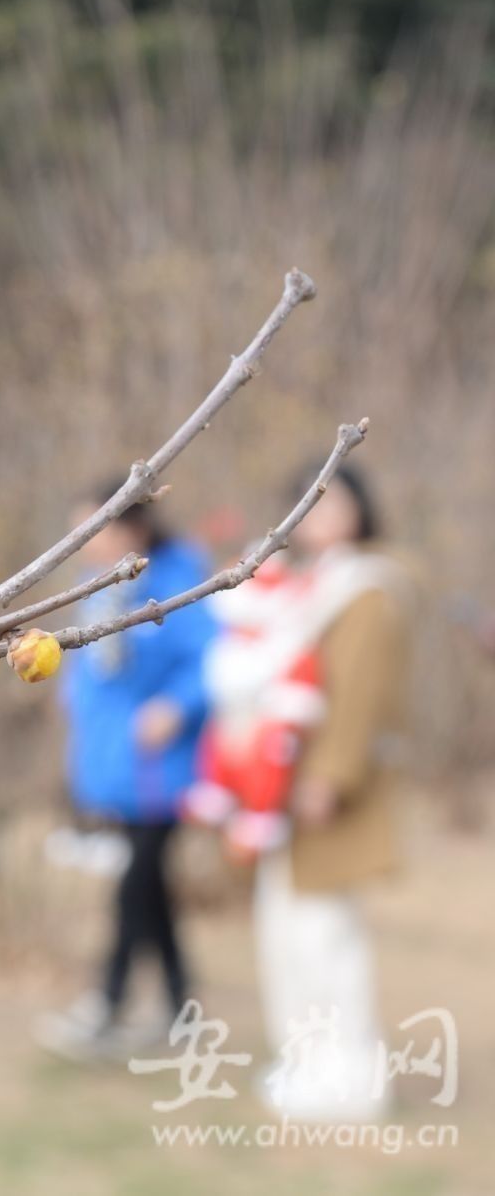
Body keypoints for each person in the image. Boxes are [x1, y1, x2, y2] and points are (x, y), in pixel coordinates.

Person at [231, 464, 408, 1122]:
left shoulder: (366, 589)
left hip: (326, 794)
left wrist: (329, 779)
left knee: (327, 935)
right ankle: (306, 1061)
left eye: (336, 503)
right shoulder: (303, 588)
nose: (323, 517)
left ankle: (352, 1079)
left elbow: (359, 696)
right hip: (281, 786)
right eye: (311, 504)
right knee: (286, 930)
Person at [34, 488, 216, 1061]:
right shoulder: (101, 593)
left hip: (162, 767)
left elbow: (214, 661)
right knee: (151, 890)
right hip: (115, 764)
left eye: (96, 532)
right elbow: (90, 674)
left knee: (134, 886)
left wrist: (177, 707)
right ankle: (182, 1005)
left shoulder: (181, 582)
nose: (86, 545)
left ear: (133, 529)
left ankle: (107, 1004)